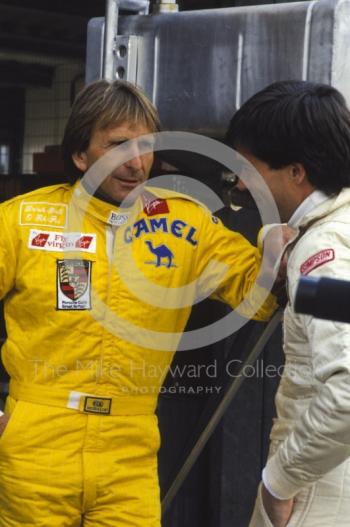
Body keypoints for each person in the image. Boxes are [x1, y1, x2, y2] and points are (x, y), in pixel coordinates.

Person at [0, 79, 280, 527]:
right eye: (117, 145)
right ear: (80, 155)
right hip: (35, 443)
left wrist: (283, 238)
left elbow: (259, 291)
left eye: (146, 145)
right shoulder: (20, 220)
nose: (136, 162)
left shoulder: (184, 221)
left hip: (130, 452)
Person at [227, 79, 350, 527]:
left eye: (250, 167)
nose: (241, 182)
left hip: (317, 493)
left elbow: (348, 386)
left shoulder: (324, 256)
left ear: (296, 172)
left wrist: (279, 480)